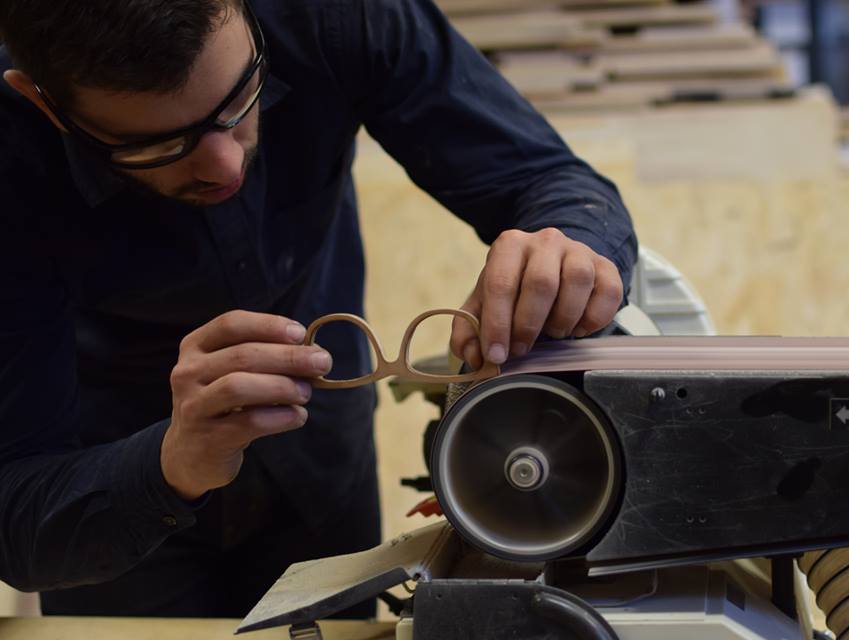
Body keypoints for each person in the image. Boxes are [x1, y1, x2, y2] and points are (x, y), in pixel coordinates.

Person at [0, 0, 637, 618]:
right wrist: (169, 463)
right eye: (155, 145)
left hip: (322, 464)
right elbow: (15, 514)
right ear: (43, 102)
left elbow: (552, 183)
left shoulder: (332, 12)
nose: (224, 165)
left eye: (241, 98)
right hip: (114, 502)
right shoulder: (10, 147)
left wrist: (567, 247)